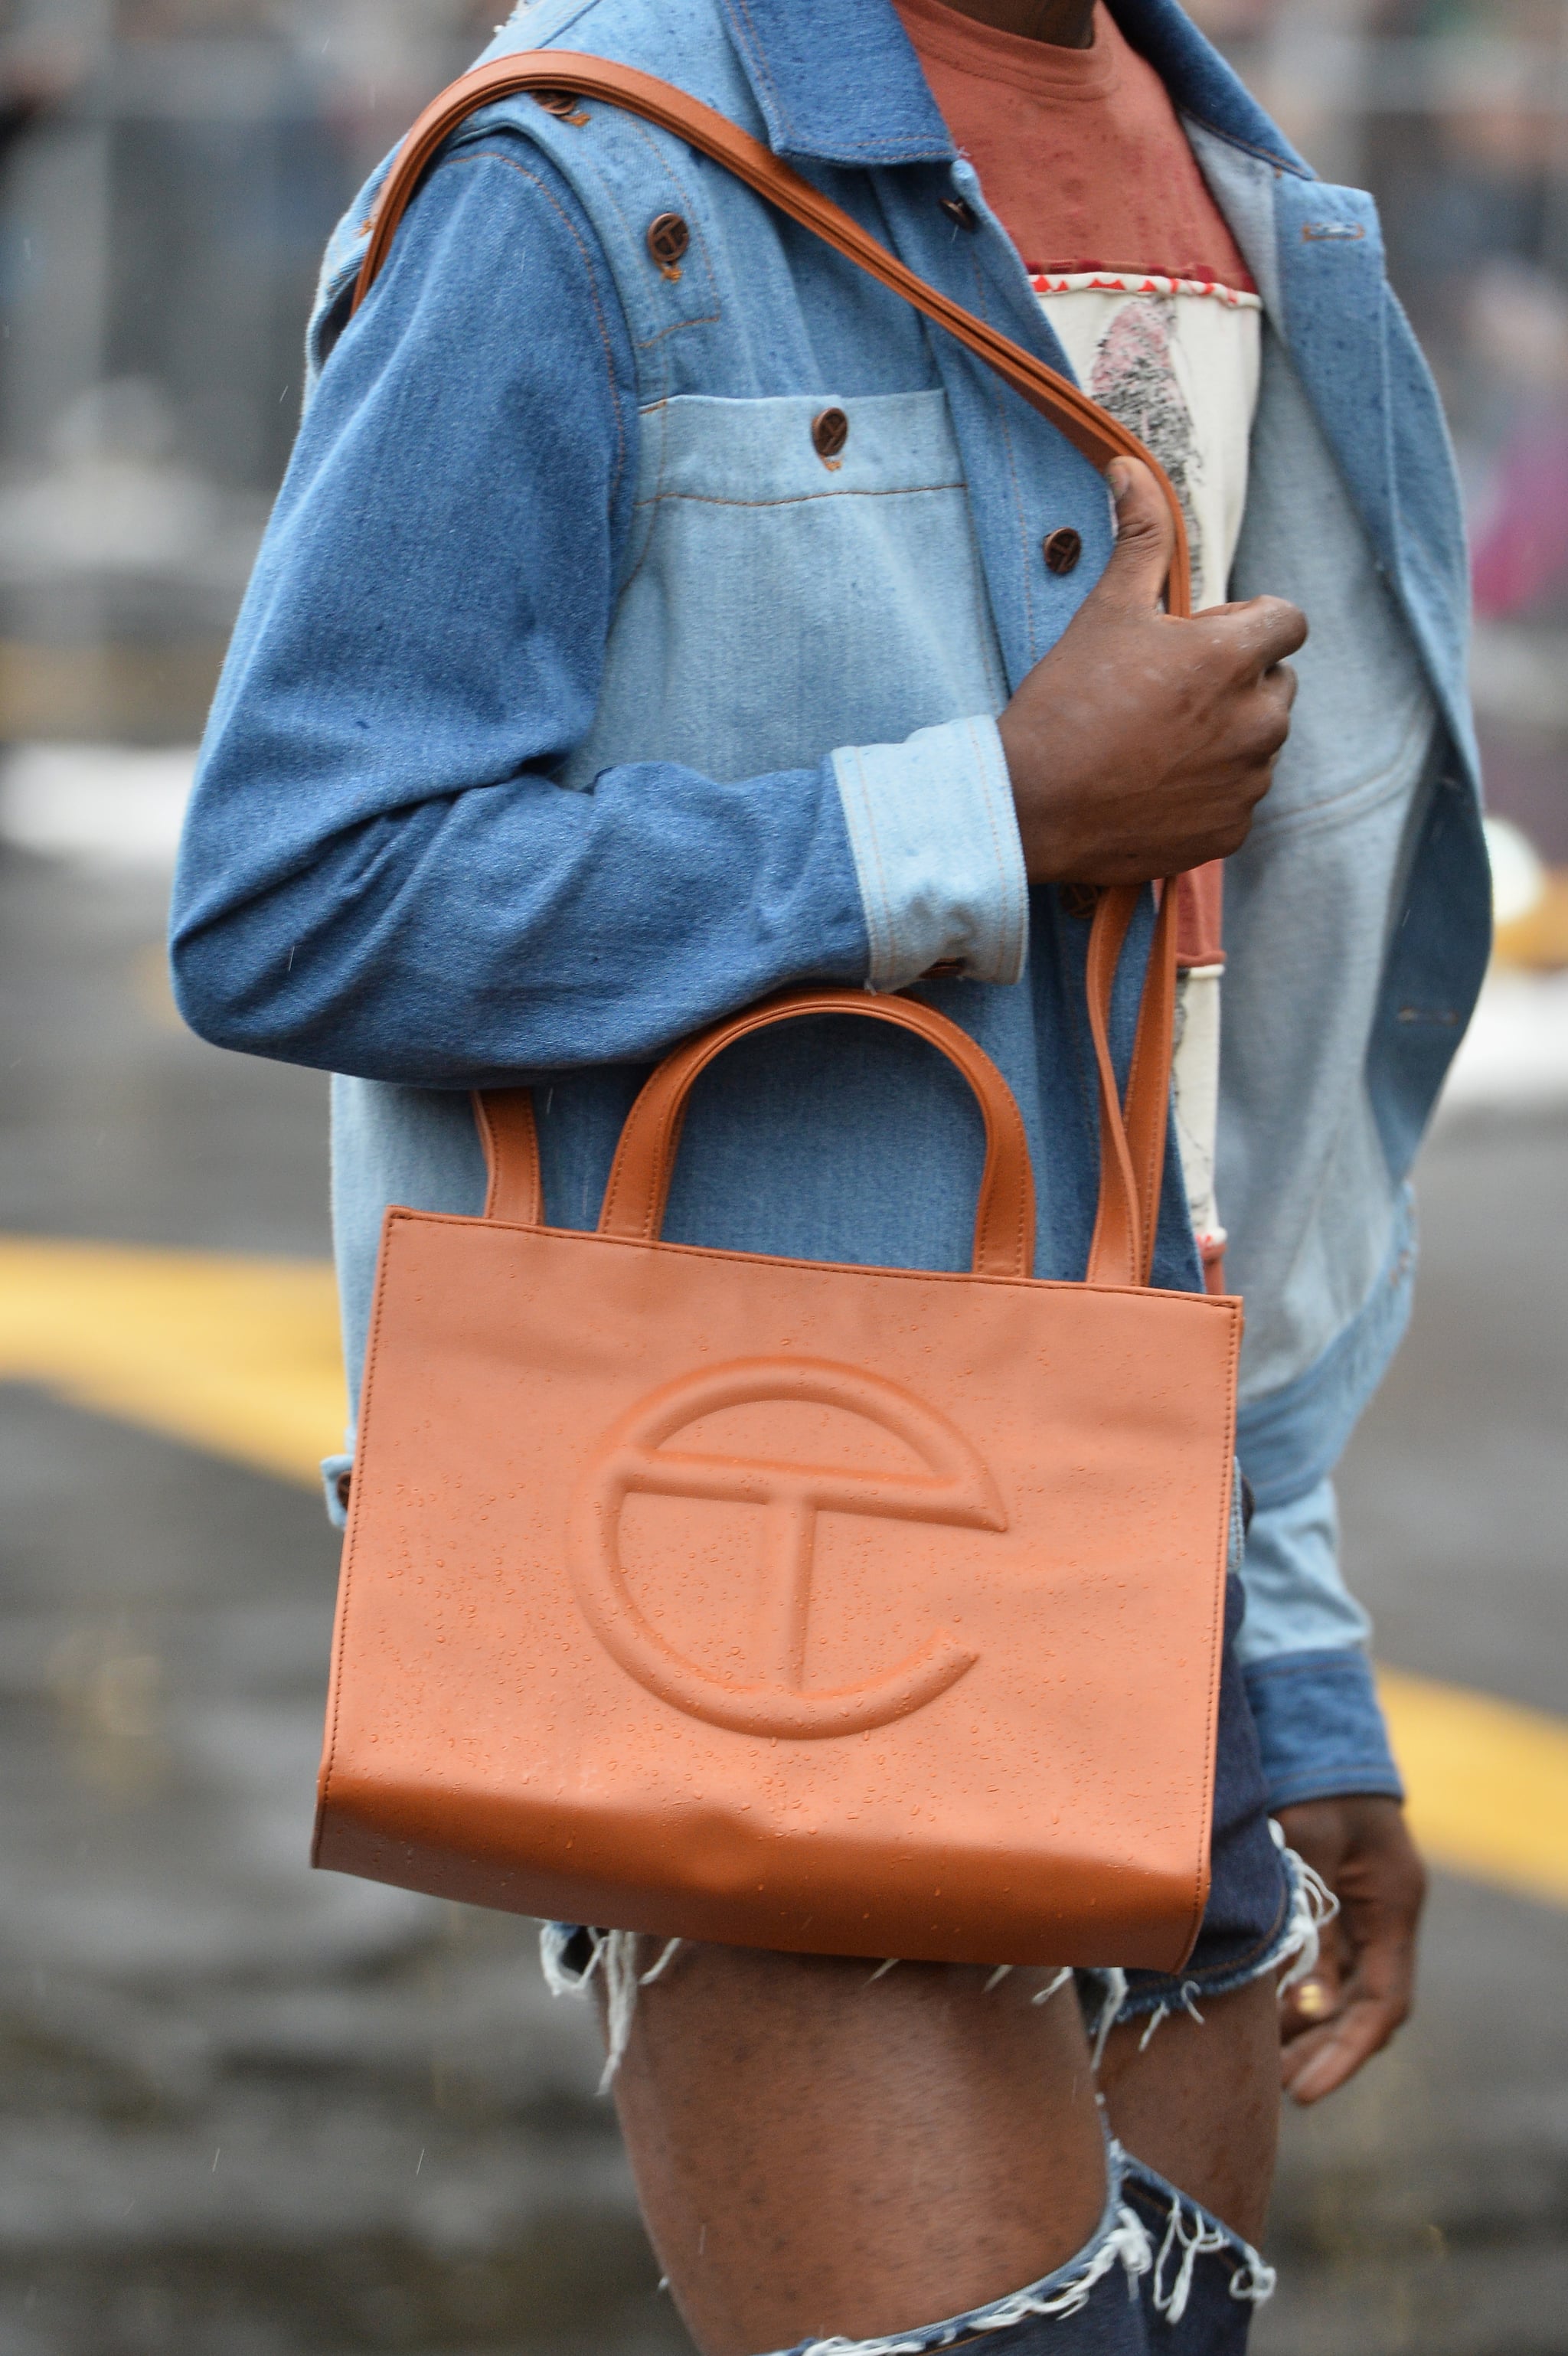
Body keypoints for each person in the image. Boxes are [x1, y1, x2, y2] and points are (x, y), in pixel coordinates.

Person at [168, 0, 1488, 2345]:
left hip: (1139, 1567)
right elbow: (301, 885)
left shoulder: (1242, 184)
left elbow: (1208, 1058)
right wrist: (973, 821)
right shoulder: (592, 165)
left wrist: (1285, 1658)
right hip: (752, 1576)